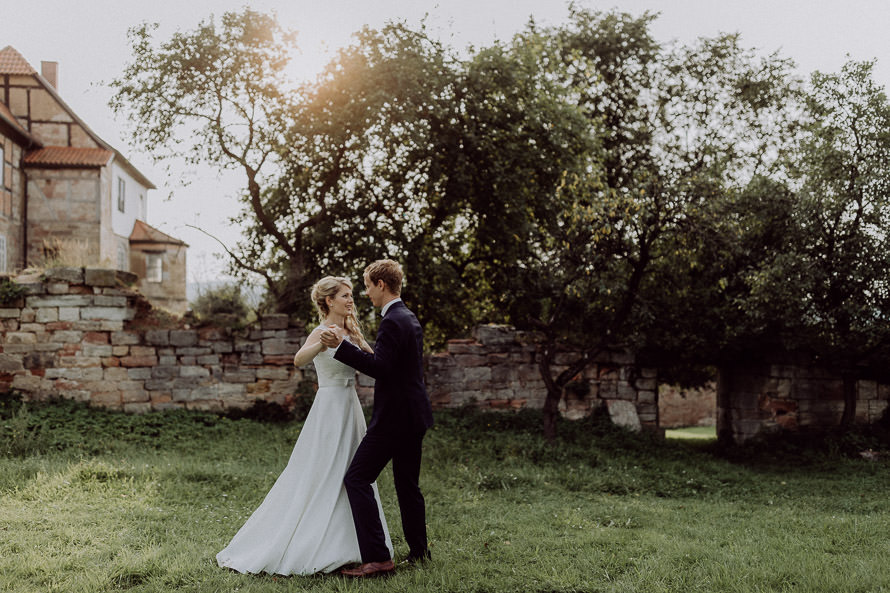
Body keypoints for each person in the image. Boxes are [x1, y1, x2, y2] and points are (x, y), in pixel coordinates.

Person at [216, 276, 393, 576]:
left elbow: (375, 364)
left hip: (351, 408)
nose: (351, 301)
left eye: (351, 296)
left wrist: (363, 344)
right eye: (345, 296)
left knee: (354, 474)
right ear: (329, 301)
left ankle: (356, 544)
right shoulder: (321, 330)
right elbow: (299, 360)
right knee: (326, 471)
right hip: (330, 408)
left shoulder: (352, 330)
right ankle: (316, 540)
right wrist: (319, 345)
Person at [319, 259, 434, 578]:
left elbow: (381, 367)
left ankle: (378, 559)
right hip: (414, 414)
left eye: (368, 286)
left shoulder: (393, 321)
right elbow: (395, 367)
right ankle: (420, 552)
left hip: (395, 419)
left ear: (381, 285)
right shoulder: (407, 316)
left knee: (356, 478)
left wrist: (341, 346)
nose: (365, 293)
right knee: (408, 485)